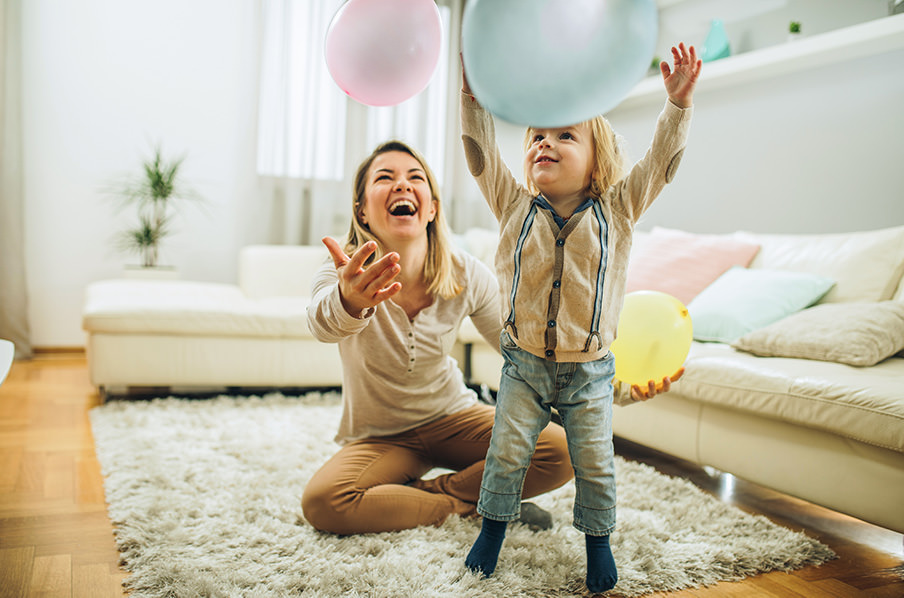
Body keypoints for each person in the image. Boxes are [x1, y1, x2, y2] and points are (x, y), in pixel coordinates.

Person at [302, 140, 678, 537]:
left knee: (562, 450)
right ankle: (476, 506)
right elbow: (322, 326)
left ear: (431, 208)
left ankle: (428, 496)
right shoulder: (343, 273)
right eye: (384, 177)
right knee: (325, 502)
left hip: (452, 418)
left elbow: (524, 349)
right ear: (362, 209)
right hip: (379, 437)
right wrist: (350, 301)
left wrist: (610, 387)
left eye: (415, 177)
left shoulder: (466, 273)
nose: (402, 185)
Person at [460, 43, 702, 594]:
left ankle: (598, 542)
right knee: (506, 453)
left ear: (598, 160)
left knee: (596, 463)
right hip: (523, 365)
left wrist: (678, 105)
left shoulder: (619, 209)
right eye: (537, 137)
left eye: (565, 135)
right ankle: (492, 531)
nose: (544, 142)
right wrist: (472, 96)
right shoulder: (512, 205)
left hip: (590, 371)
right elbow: (479, 153)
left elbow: (661, 163)